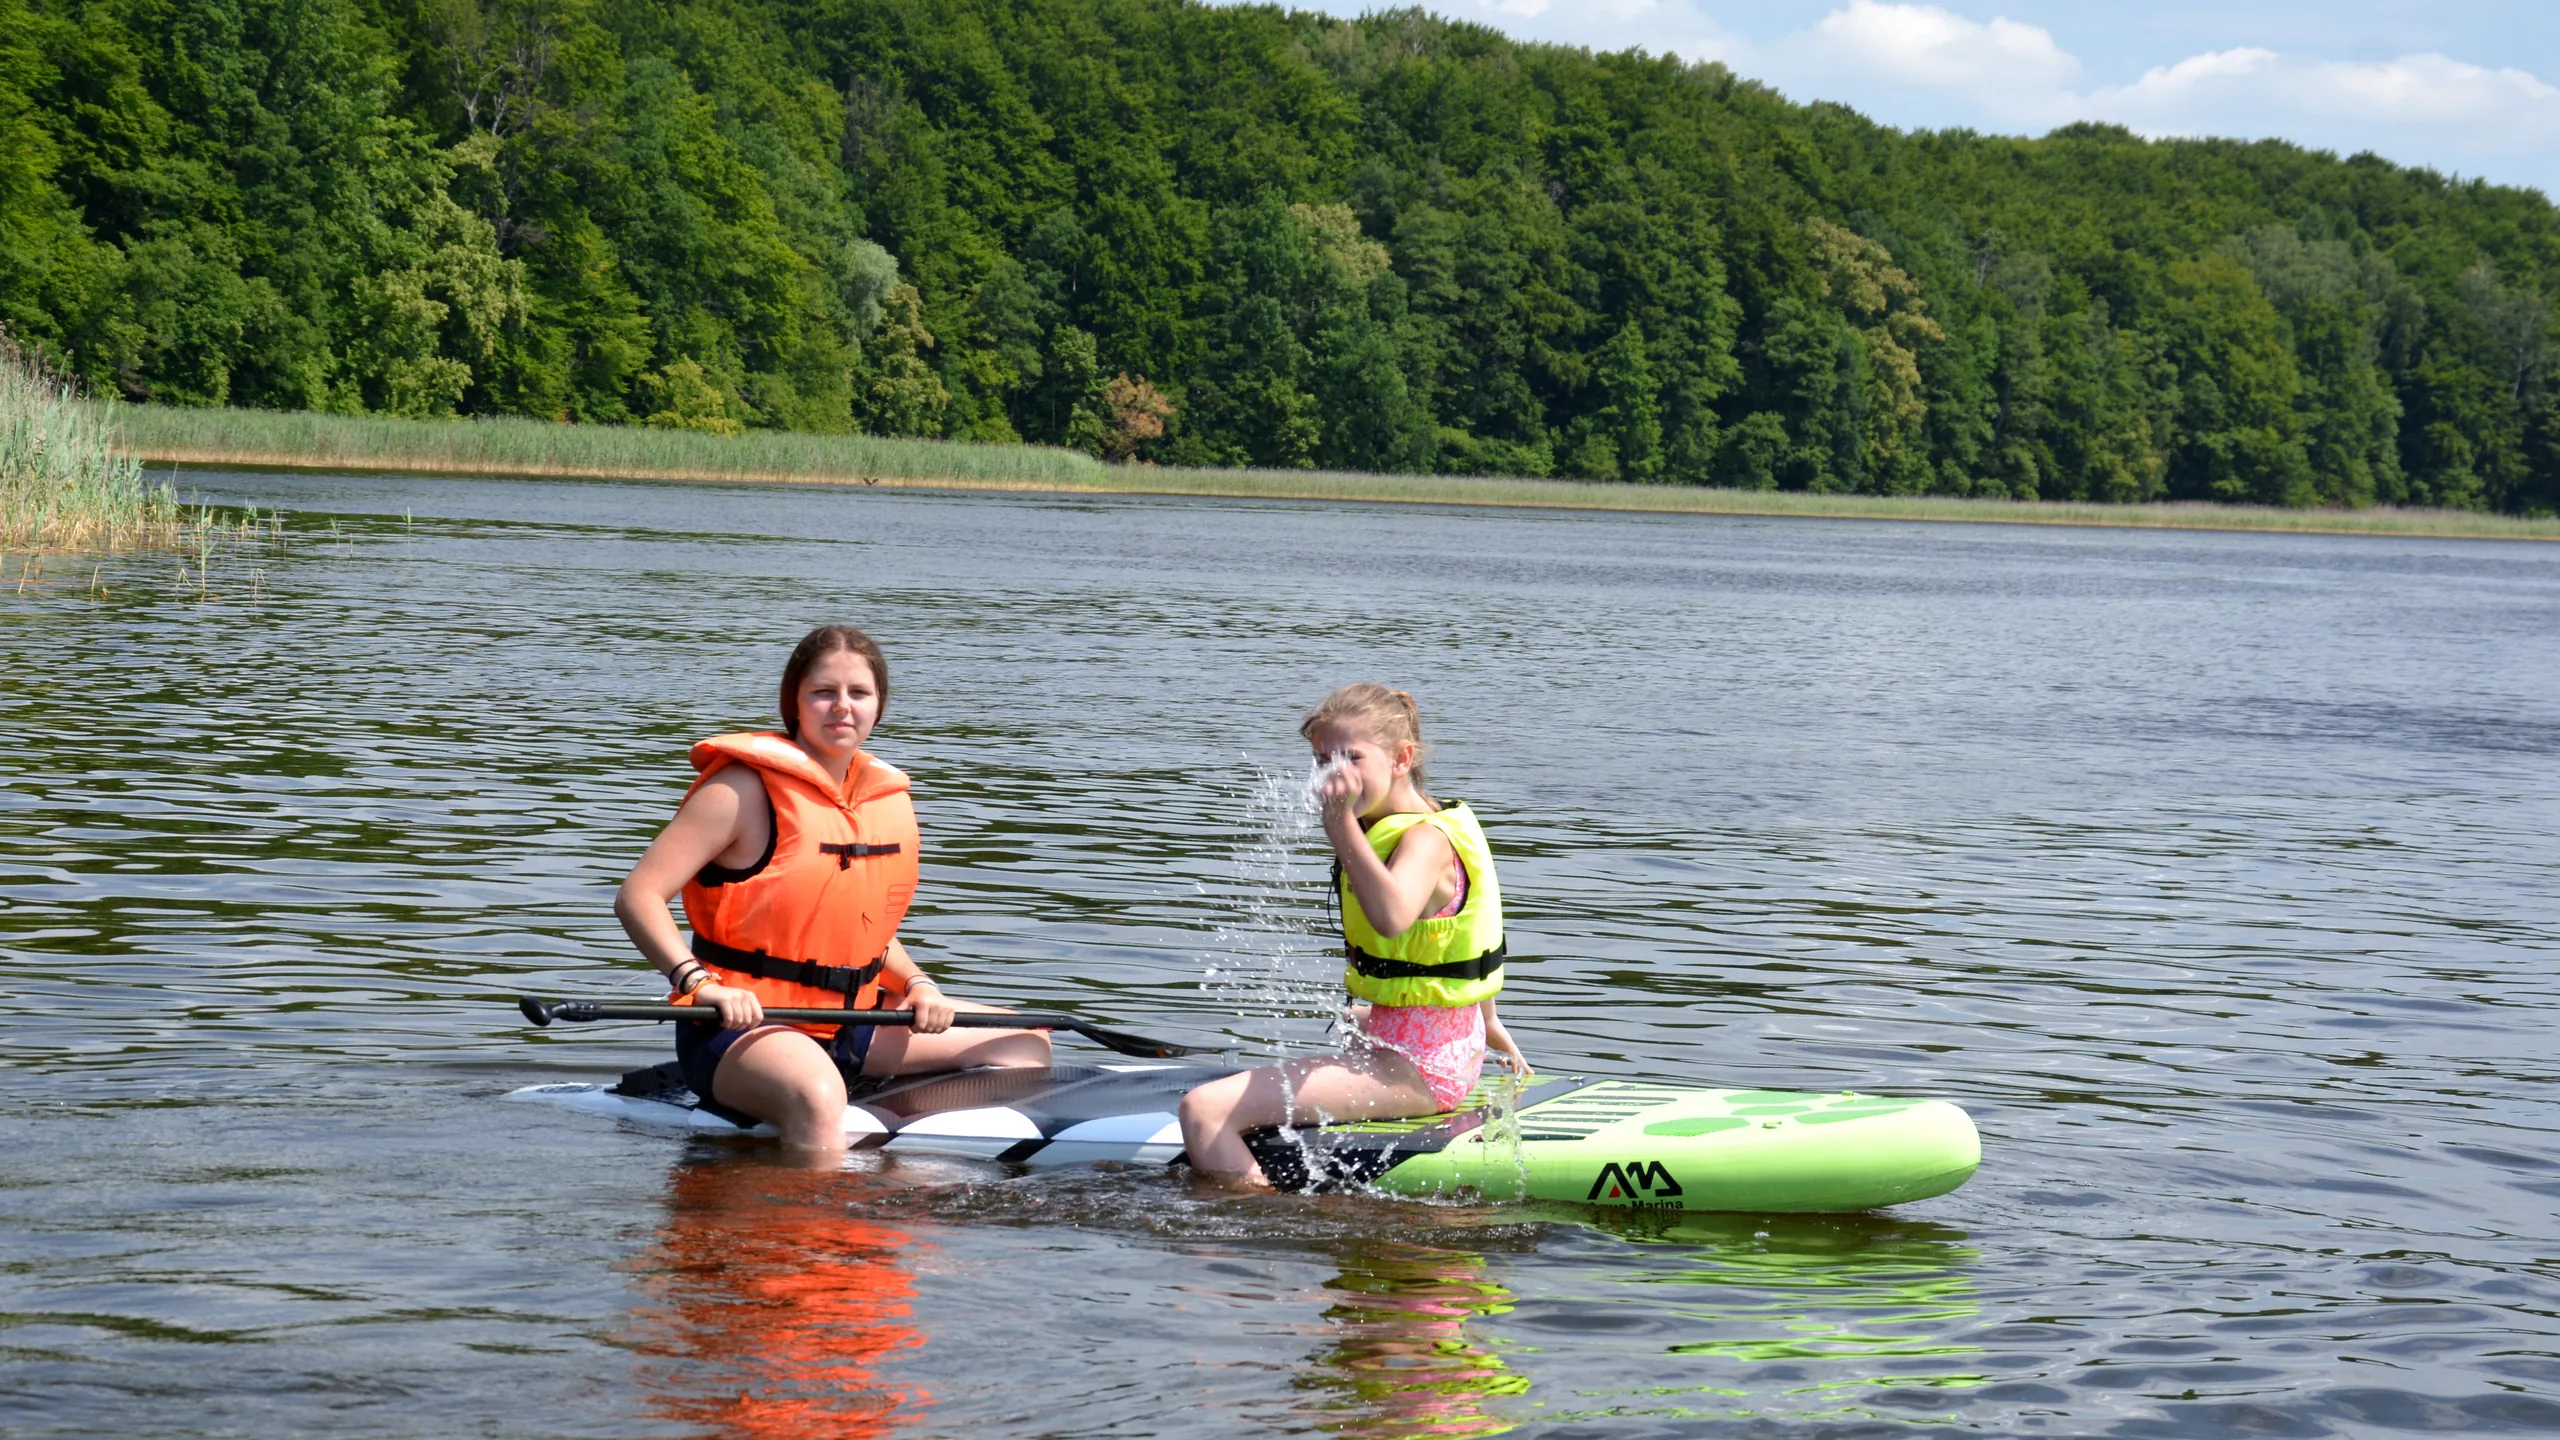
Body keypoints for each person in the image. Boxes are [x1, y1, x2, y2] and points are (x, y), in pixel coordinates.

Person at [616, 624, 1049, 1155]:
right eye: (824, 692)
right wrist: (700, 984)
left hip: (853, 1023)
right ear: (793, 702)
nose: (842, 707)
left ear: (878, 706)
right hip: (736, 1026)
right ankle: (815, 1199)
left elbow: (855, 930)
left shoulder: (880, 798)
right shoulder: (738, 791)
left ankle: (894, 1155)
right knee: (820, 1100)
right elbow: (638, 896)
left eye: (858, 693)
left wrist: (918, 985)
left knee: (1026, 1044)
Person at [1178, 684, 1527, 1186]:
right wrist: (1486, 1021)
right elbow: (1462, 942)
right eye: (1323, 759)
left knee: (1204, 1110)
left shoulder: (1424, 839)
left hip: (1424, 1069)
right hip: (1437, 1044)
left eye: (1351, 757)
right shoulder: (1417, 819)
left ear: (1402, 758)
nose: (1333, 774)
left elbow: (1391, 917)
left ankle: (1256, 1224)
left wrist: (1339, 824)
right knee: (1350, 1016)